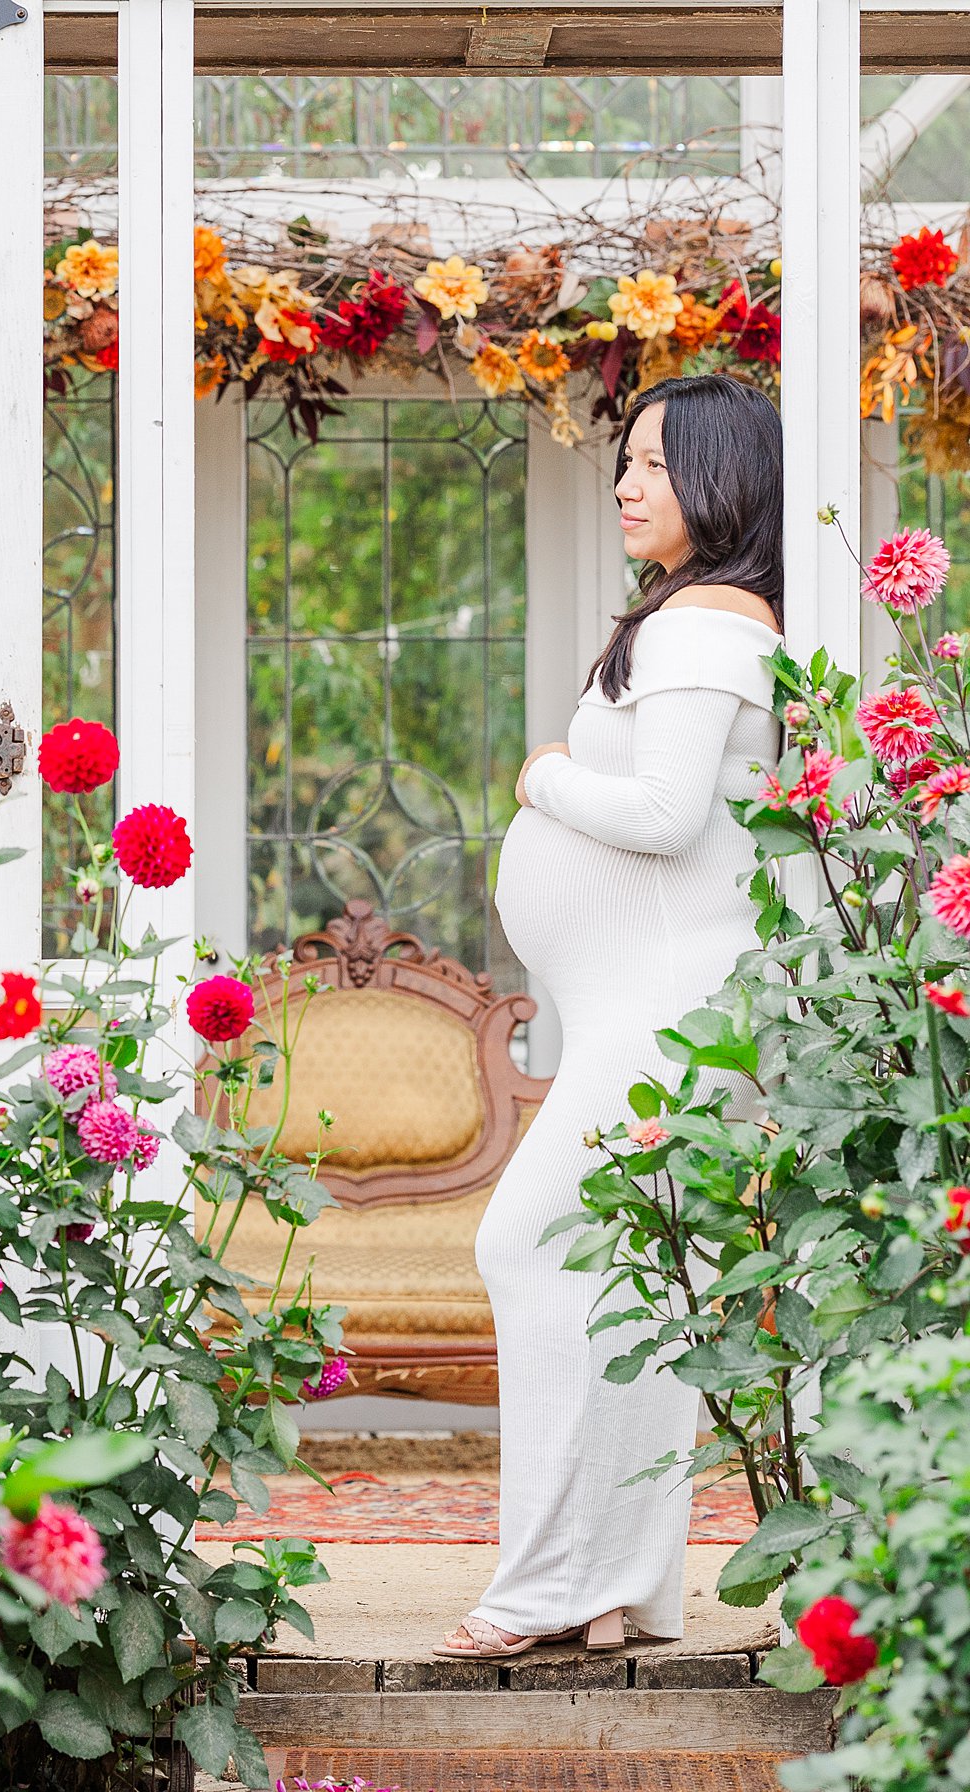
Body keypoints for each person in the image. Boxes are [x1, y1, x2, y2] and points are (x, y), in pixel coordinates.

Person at [434, 374, 784, 1660]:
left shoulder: (698, 627)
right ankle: (612, 1591)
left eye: (651, 463)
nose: (625, 483)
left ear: (720, 477)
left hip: (664, 1021)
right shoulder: (713, 619)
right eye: (621, 462)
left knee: (525, 1249)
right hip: (655, 1009)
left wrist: (542, 777)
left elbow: (662, 815)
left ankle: (539, 1588)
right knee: (627, 1278)